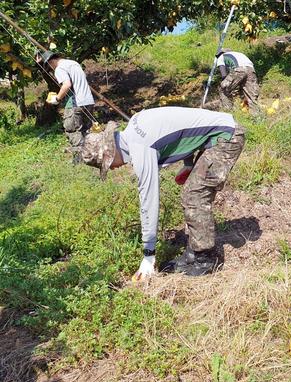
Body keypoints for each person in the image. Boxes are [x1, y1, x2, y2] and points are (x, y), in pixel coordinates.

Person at [81, 107, 246, 278]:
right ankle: (193, 253)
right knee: (191, 192)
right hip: (219, 131)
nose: (113, 169)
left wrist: (148, 255)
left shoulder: (140, 148)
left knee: (195, 195)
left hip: (227, 137)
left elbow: (149, 201)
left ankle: (204, 259)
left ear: (111, 152)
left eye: (108, 165)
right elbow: (180, 125)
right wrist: (189, 164)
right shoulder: (135, 126)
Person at [39, 51, 95, 161]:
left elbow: (67, 85)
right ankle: (92, 154)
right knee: (86, 129)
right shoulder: (74, 63)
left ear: (51, 61)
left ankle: (80, 159)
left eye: (49, 66)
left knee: (72, 130)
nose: (51, 69)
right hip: (88, 100)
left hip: (75, 103)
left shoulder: (59, 68)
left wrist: (57, 98)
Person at [213, 48, 259, 114]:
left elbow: (223, 75)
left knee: (223, 88)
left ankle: (228, 112)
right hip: (251, 70)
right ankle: (256, 116)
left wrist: (225, 83)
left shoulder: (221, 56)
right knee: (251, 95)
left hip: (239, 69)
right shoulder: (240, 54)